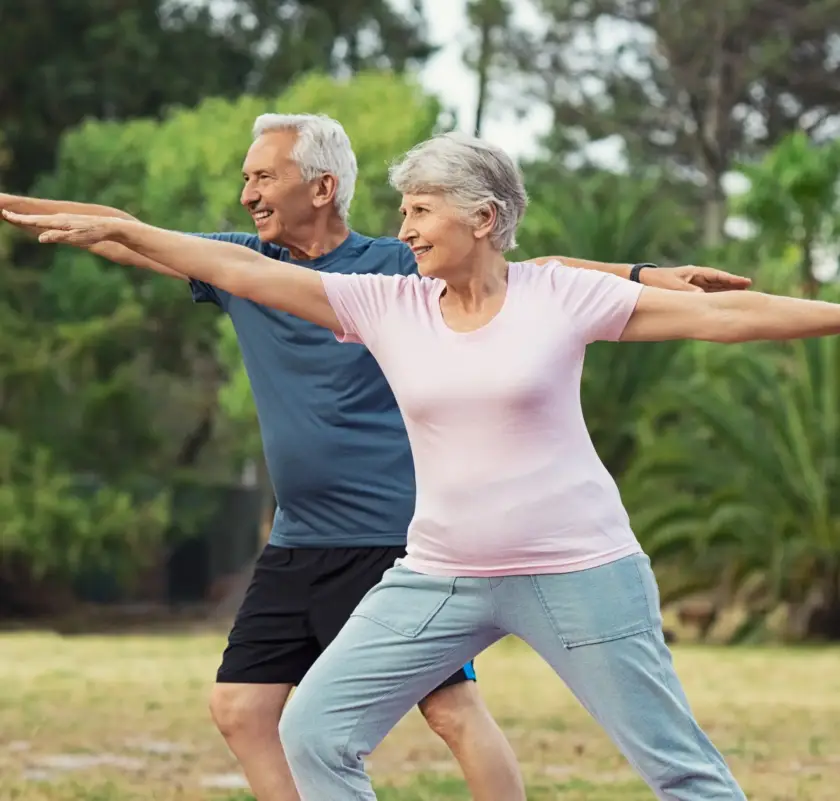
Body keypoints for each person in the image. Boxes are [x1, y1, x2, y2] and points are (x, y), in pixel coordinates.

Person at [1, 118, 752, 801]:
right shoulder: (241, 267)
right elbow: (131, 233)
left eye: (264, 177)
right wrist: (26, 208)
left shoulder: (401, 266)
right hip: (300, 536)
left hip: (393, 535)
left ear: (322, 187)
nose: (247, 193)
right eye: (246, 178)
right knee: (243, 706)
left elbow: (533, 271)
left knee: (452, 712)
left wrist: (646, 275)